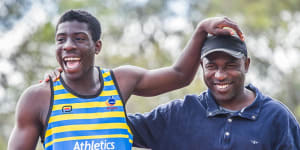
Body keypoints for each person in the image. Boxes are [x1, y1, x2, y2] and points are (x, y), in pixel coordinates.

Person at [7, 9, 243, 150]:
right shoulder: (38, 97)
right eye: (61, 40)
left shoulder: (121, 81)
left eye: (79, 39)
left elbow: (179, 75)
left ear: (96, 46)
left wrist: (201, 30)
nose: (68, 45)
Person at [127, 35, 300, 150]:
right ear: (202, 66)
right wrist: (102, 83)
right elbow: (116, 126)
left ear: (246, 65)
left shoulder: (277, 117)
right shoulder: (178, 113)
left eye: (230, 65)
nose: (220, 75)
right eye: (211, 66)